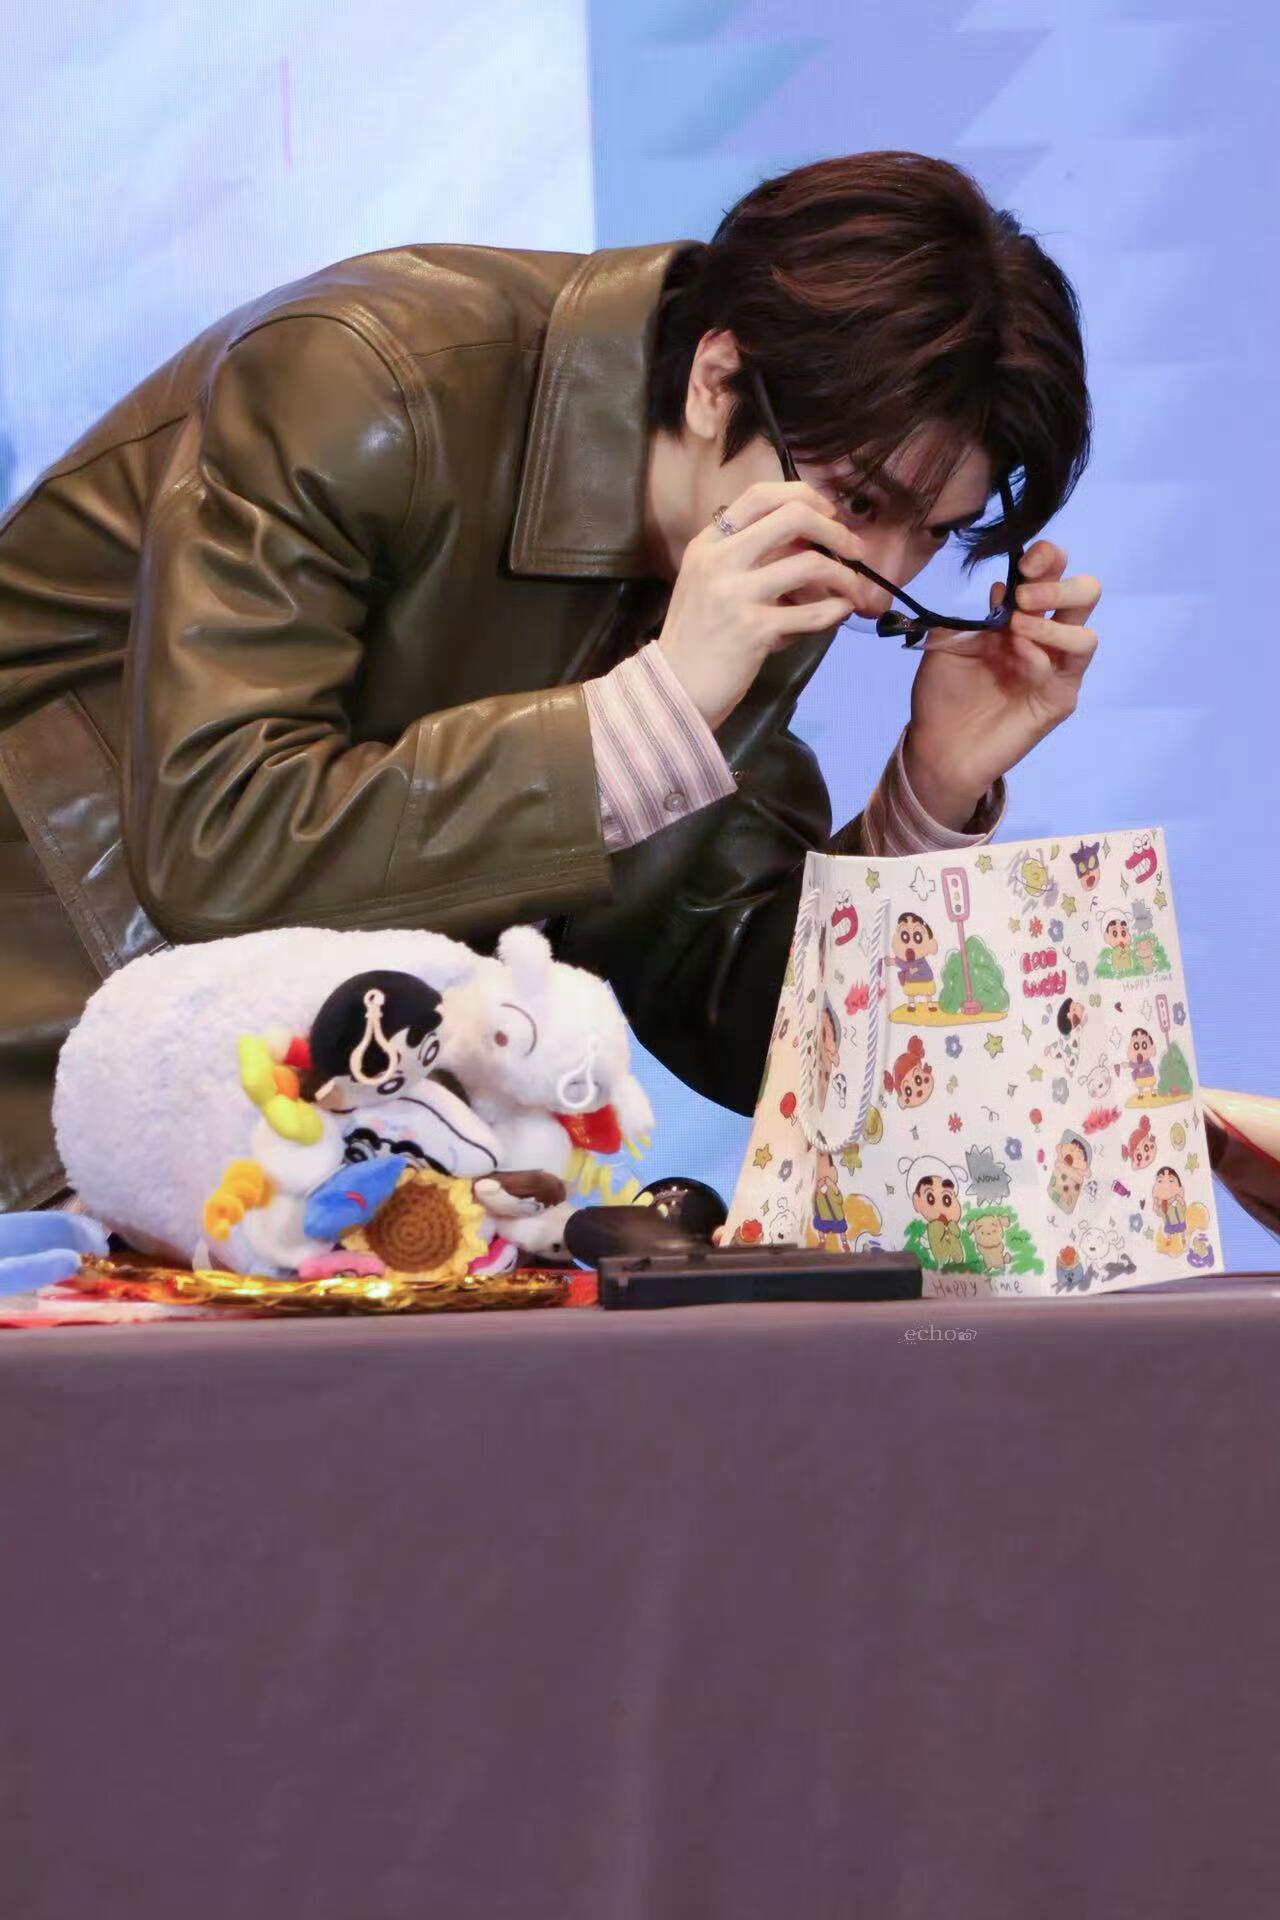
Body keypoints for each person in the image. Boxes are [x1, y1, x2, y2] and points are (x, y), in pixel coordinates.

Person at [0, 150, 1100, 1209]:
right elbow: (221, 839)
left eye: (934, 534)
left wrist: (928, 796)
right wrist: (651, 714)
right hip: (58, 1057)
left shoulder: (776, 544)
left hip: (307, 1121)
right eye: (861, 502)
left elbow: (724, 1002)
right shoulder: (366, 377)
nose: (876, 584)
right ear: (717, 379)